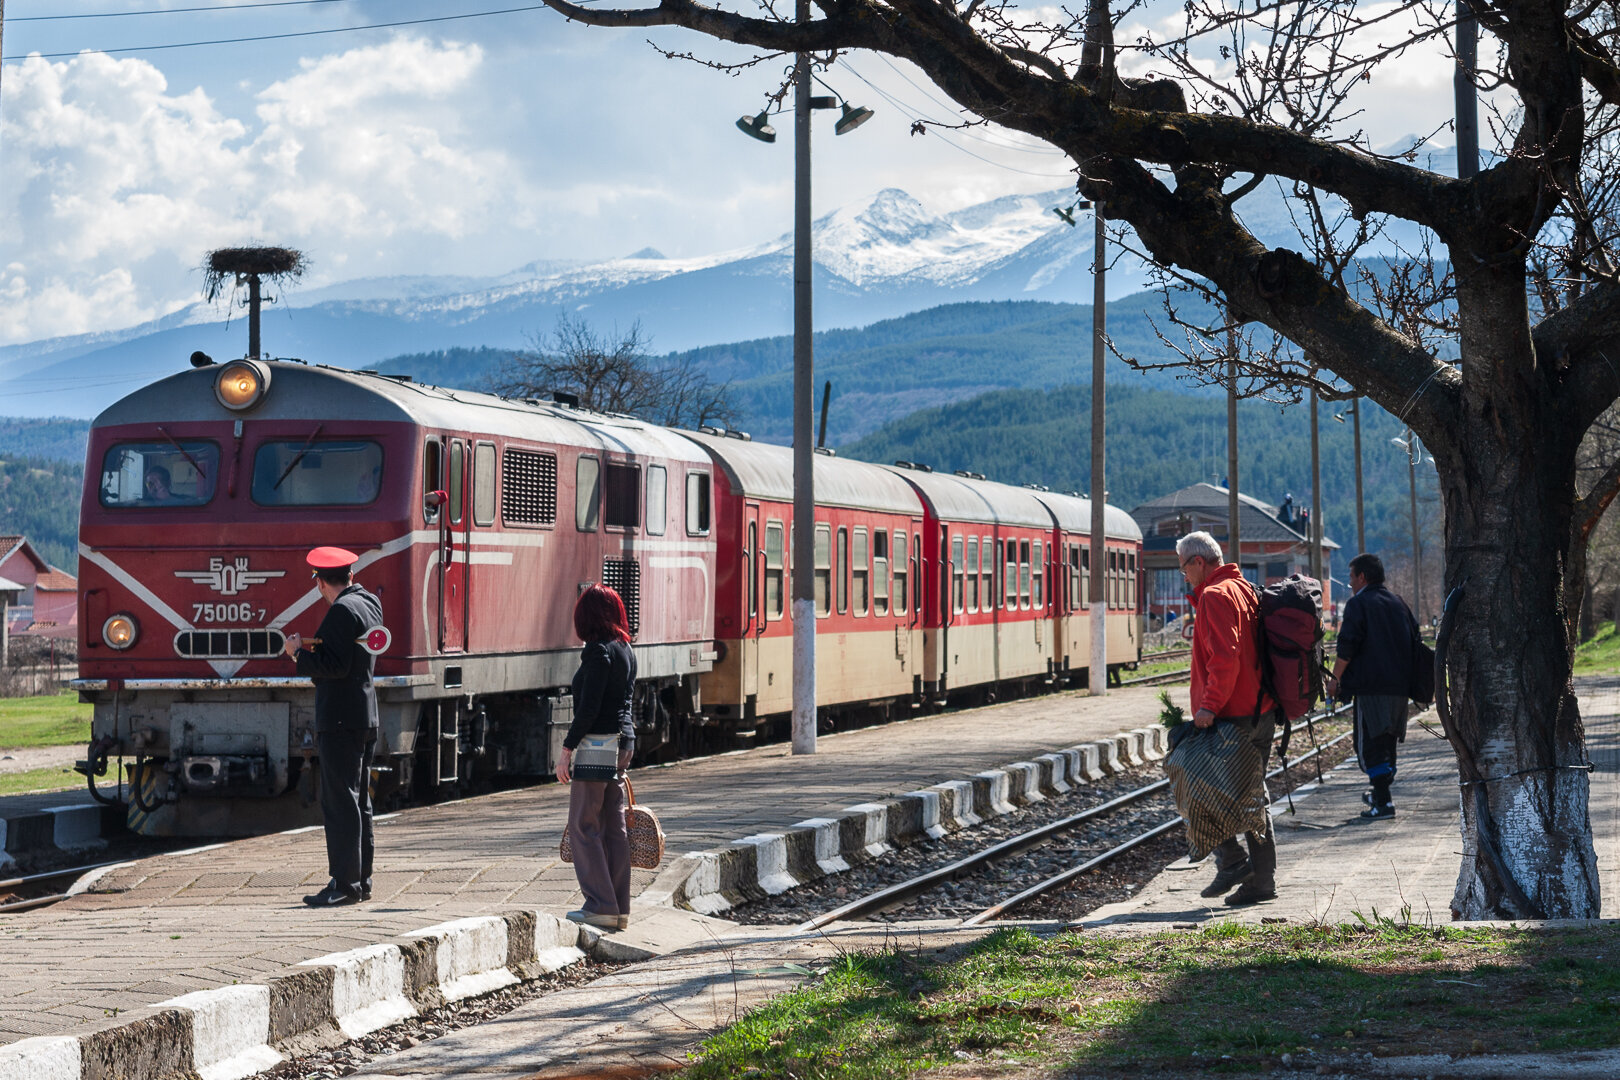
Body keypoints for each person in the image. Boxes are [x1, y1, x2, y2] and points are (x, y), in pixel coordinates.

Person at [1178, 530, 1280, 906]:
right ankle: (1262, 879)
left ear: (1199, 562)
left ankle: (1234, 861)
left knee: (1195, 785)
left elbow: (1226, 656)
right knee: (1253, 797)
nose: (1184, 576)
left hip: (1233, 714)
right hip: (1261, 708)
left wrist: (1209, 706)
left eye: (1184, 568)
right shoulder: (1244, 588)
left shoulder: (1215, 595)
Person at [282, 546, 384, 907]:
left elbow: (334, 666)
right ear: (351, 576)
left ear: (320, 582)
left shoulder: (341, 611)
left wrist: (298, 653)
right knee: (359, 802)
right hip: (364, 714)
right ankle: (362, 881)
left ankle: (344, 886)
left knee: (340, 803)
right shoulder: (369, 603)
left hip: (340, 718)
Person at [556, 583, 637, 931]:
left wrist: (566, 749)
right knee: (613, 828)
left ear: (585, 617)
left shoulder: (597, 651)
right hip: (622, 743)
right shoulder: (625, 649)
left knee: (583, 827)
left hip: (597, 745)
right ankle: (618, 908)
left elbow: (588, 708)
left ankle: (599, 905)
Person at [1326, 553, 1418, 820]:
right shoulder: (1397, 602)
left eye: (1352, 577)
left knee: (1370, 748)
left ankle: (1384, 803)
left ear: (1362, 577)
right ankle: (1380, 797)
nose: (1351, 583)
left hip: (1371, 689)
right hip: (1400, 689)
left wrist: (1335, 680)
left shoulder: (1358, 604)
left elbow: (1346, 648)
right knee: (1388, 744)